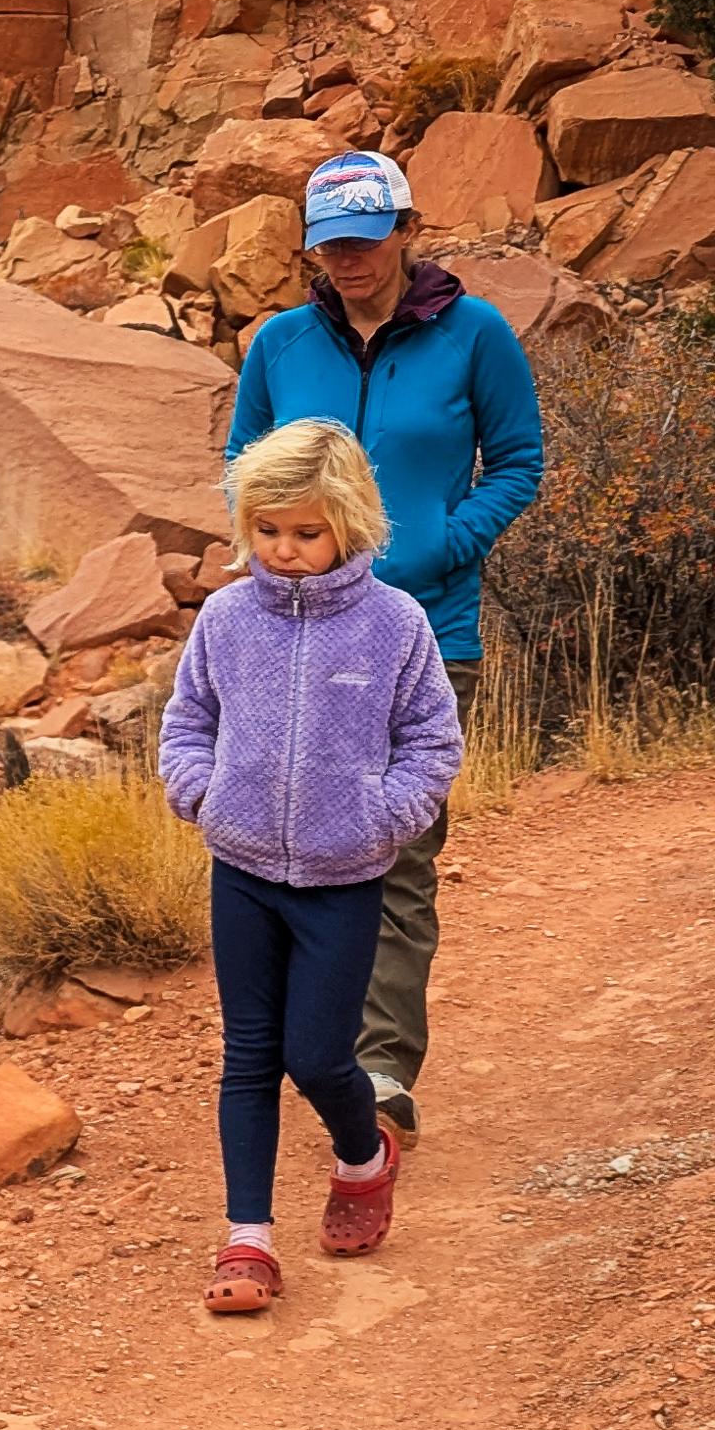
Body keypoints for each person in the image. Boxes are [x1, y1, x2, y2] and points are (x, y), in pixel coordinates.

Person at [225, 151, 543, 1157]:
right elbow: (243, 471)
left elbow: (519, 462)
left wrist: (441, 546)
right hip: (293, 638)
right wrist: (270, 573)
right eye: (329, 244)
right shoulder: (280, 345)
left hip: (425, 631)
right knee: (290, 848)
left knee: (396, 851)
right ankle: (307, 1049)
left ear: (406, 230)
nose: (347, 259)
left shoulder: (475, 334)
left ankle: (383, 1073)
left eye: (365, 238)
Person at [156, 418, 463, 1316]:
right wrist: (201, 793)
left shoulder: (394, 625)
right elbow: (188, 720)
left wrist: (383, 816)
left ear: (349, 524)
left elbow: (432, 741)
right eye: (267, 529)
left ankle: (363, 1158)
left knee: (320, 1058)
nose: (283, 550)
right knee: (250, 1057)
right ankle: (248, 1240)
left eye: (306, 532)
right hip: (242, 871)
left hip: (345, 879)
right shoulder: (225, 619)